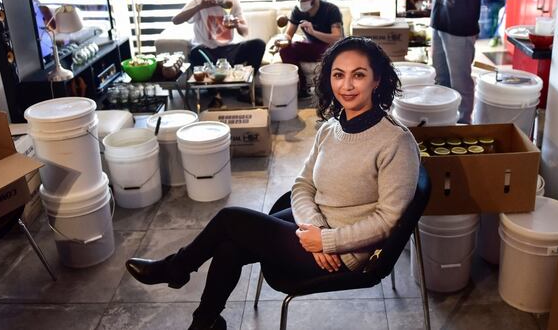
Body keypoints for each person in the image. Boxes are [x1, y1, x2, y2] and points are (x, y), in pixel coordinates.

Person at [125, 37, 420, 330]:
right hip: (316, 229)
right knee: (230, 244)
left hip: (345, 253)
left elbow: (388, 222)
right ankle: (204, 323)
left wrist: (327, 241)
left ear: (377, 79)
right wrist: (315, 231)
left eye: (359, 75)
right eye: (338, 75)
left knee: (230, 220)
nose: (347, 85)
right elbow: (303, 185)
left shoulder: (395, 141)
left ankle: (177, 270)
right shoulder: (332, 127)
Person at [173, 0, 266, 72]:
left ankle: (245, 85)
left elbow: (245, 32)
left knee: (258, 44)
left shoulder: (232, 1)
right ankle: (217, 84)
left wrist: (237, 25)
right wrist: (200, 7)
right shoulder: (199, 0)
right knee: (195, 53)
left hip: (229, 50)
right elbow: (176, 20)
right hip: (206, 50)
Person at [275, 0, 343, 97]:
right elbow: (288, 34)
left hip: (330, 48)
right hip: (312, 46)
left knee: (333, 52)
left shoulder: (331, 10)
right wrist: (282, 41)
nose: (301, 0)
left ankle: (328, 90)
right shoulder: (297, 11)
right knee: (286, 49)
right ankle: (301, 87)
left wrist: (313, 32)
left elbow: (337, 38)